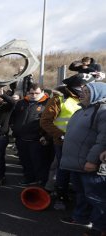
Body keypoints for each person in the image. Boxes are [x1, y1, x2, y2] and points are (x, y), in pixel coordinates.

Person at [40, 73, 95, 210]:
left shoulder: (93, 99)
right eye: (82, 86)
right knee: (63, 170)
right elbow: (45, 121)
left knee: (82, 171)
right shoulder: (59, 99)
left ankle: (81, 200)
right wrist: (61, 135)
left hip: (86, 144)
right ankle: (61, 196)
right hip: (63, 143)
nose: (85, 89)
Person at [59, 82, 106, 235]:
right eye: (82, 90)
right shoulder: (81, 110)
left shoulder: (102, 111)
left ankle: (99, 228)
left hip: (89, 164)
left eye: (86, 91)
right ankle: (81, 218)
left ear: (97, 93)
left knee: (96, 197)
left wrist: (92, 160)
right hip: (76, 163)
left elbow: (103, 139)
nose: (81, 93)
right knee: (81, 193)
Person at [10, 83, 51, 186]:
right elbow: (14, 117)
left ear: (42, 92)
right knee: (25, 161)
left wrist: (45, 136)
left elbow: (51, 122)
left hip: (37, 140)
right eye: (31, 93)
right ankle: (29, 178)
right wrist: (14, 128)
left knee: (39, 162)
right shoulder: (21, 103)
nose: (33, 95)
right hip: (21, 139)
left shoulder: (47, 104)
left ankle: (41, 181)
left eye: (36, 93)